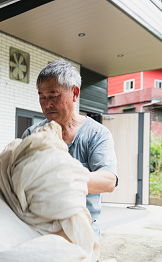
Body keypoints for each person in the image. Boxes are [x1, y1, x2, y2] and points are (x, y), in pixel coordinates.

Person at [22, 59, 118, 242]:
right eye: (41, 96)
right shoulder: (33, 134)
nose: (46, 104)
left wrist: (57, 178)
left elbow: (108, 181)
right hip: (38, 234)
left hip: (81, 236)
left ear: (74, 93)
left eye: (53, 95)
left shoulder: (96, 134)